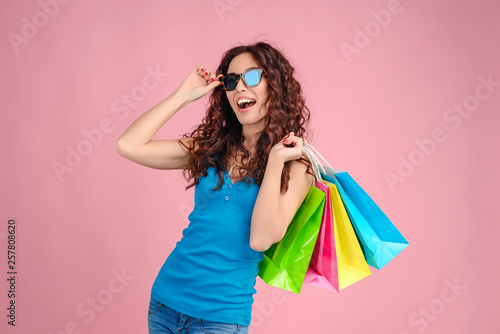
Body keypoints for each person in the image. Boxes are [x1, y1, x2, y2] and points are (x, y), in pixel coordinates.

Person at [115, 41, 314, 334]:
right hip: (164, 303)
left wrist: (274, 162)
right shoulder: (212, 148)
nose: (240, 88)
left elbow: (260, 239)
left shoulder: (296, 167)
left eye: (253, 76)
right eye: (232, 81)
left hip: (220, 318)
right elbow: (128, 145)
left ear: (276, 85)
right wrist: (183, 96)